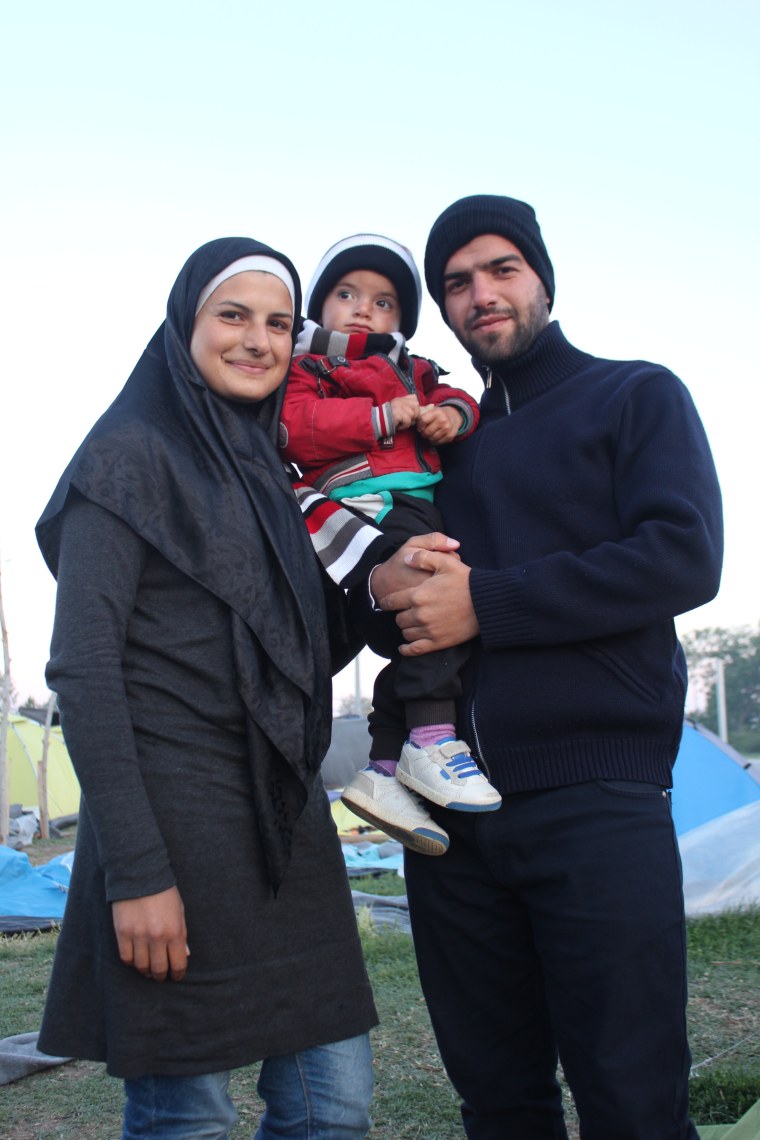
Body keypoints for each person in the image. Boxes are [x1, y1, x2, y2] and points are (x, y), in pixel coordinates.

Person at [367, 195, 724, 1139]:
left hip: (596, 801)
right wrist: (379, 590)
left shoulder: (635, 394)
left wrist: (489, 600)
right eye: (455, 283)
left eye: (501, 269)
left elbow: (683, 557)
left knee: (634, 1104)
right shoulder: (440, 450)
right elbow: (398, 620)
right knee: (501, 1106)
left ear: (542, 278)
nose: (480, 294)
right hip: (450, 821)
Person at [35, 237, 378, 1139]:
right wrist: (137, 874)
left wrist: (384, 589)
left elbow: (282, 653)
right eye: (233, 316)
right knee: (188, 1115)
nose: (258, 340)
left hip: (284, 825)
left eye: (278, 322)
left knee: (332, 1107)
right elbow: (82, 667)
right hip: (170, 830)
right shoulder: (125, 458)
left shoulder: (269, 472)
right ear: (185, 323)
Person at [281, 233, 500, 858]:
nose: (362, 310)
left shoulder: (414, 367)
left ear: (401, 318)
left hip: (415, 501)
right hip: (358, 503)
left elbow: (456, 396)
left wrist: (451, 417)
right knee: (433, 596)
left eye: (383, 303)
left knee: (421, 622)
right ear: (318, 306)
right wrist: (381, 419)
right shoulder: (310, 365)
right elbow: (298, 428)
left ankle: (382, 770)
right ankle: (431, 736)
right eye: (346, 295)